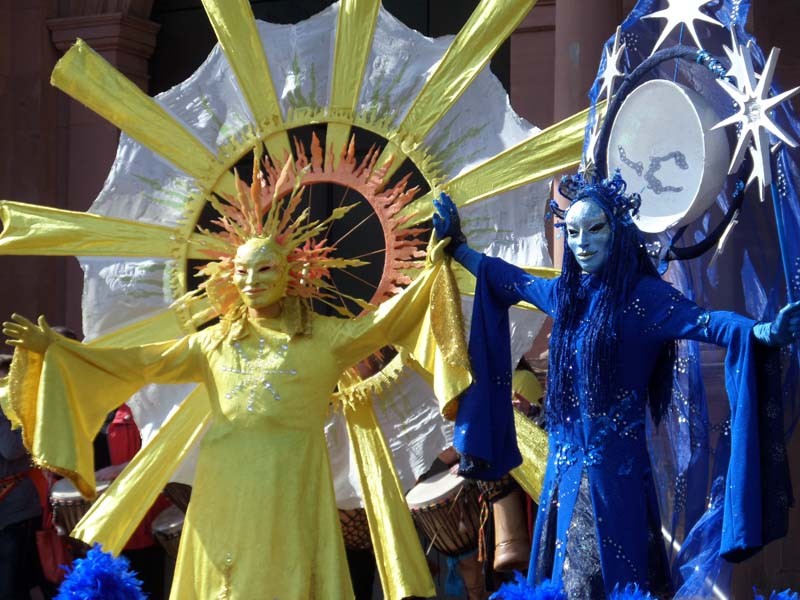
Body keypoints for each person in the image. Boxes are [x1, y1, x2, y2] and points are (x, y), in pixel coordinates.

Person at [1, 164, 470, 600]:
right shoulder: (214, 344)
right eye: (242, 270)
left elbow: (390, 322)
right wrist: (59, 349)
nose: (251, 280)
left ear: (290, 273)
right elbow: (137, 363)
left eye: (264, 268)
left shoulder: (325, 339)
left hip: (291, 480)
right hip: (224, 482)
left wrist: (433, 266)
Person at [432, 172, 800, 598]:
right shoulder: (565, 296)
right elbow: (506, 279)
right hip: (561, 478)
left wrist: (764, 332)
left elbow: (707, 323)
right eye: (572, 232)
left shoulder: (644, 299)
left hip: (614, 483)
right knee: (562, 584)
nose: (583, 242)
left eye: (595, 229)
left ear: (616, 233)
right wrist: (457, 247)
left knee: (594, 585)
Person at [0, 353, 44, 599]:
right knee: (12, 585)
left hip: (15, 509)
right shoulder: (5, 411)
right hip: (12, 509)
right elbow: (12, 449)